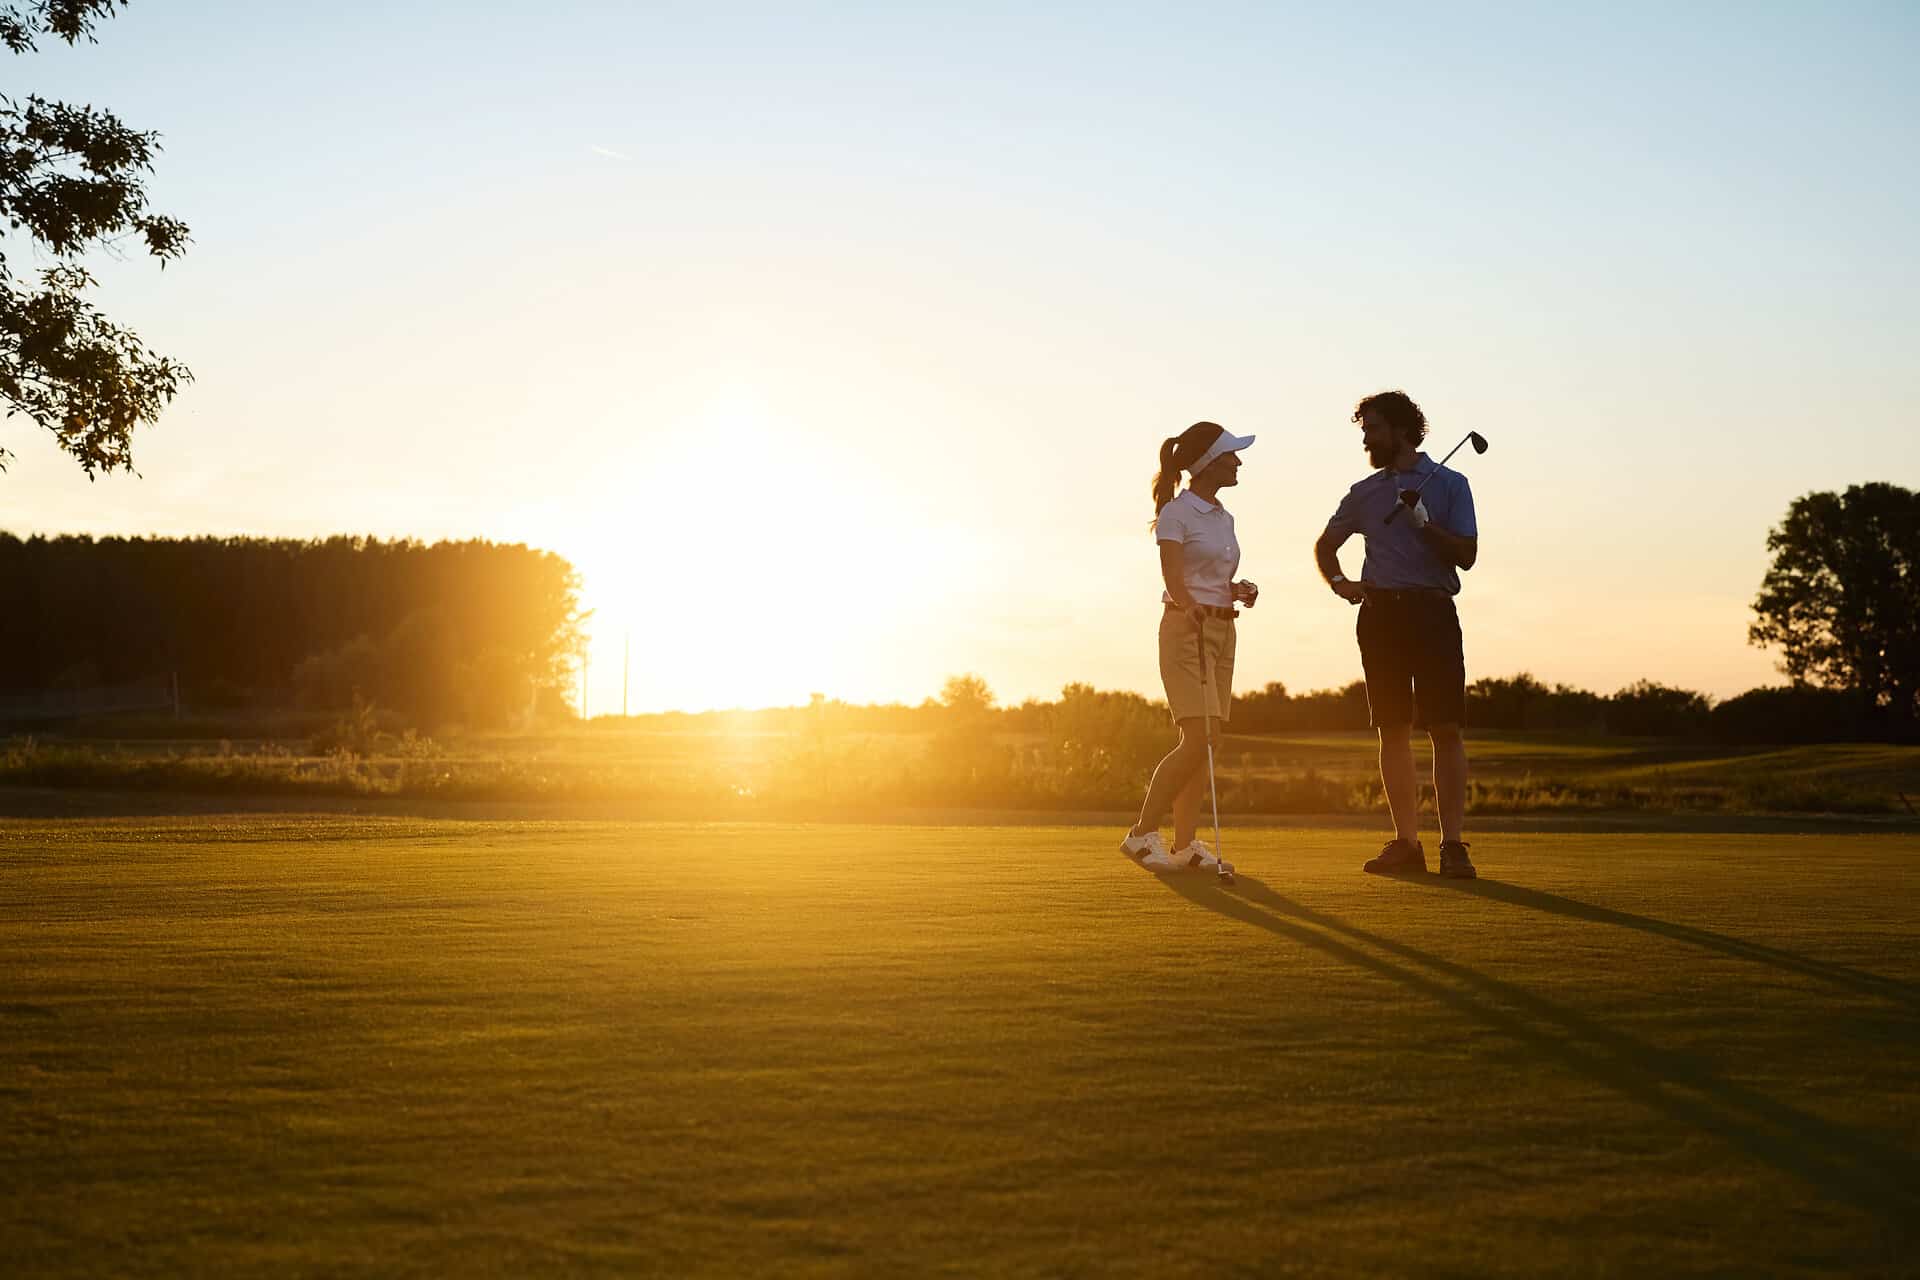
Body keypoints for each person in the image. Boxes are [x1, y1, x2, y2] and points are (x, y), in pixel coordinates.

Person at [1314, 391, 1480, 879]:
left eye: (1374, 429)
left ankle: (1453, 845)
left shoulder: (1450, 483)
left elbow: (1466, 554)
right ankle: (1407, 843)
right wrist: (1341, 583)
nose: (1367, 438)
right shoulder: (1364, 492)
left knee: (1445, 728)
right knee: (1392, 728)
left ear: (1402, 431)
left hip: (1432, 613)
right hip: (1381, 616)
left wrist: (1424, 523)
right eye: (1365, 430)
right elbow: (1326, 545)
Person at [1121, 422, 1258, 873]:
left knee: (1208, 740)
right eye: (1231, 456)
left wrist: (1235, 588)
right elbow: (1174, 577)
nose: (1238, 462)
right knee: (1198, 737)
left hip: (1222, 631)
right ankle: (1141, 835)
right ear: (1208, 464)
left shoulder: (1224, 517)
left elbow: (1209, 577)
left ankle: (1185, 846)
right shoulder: (1176, 514)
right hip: (1186, 630)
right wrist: (1189, 603)